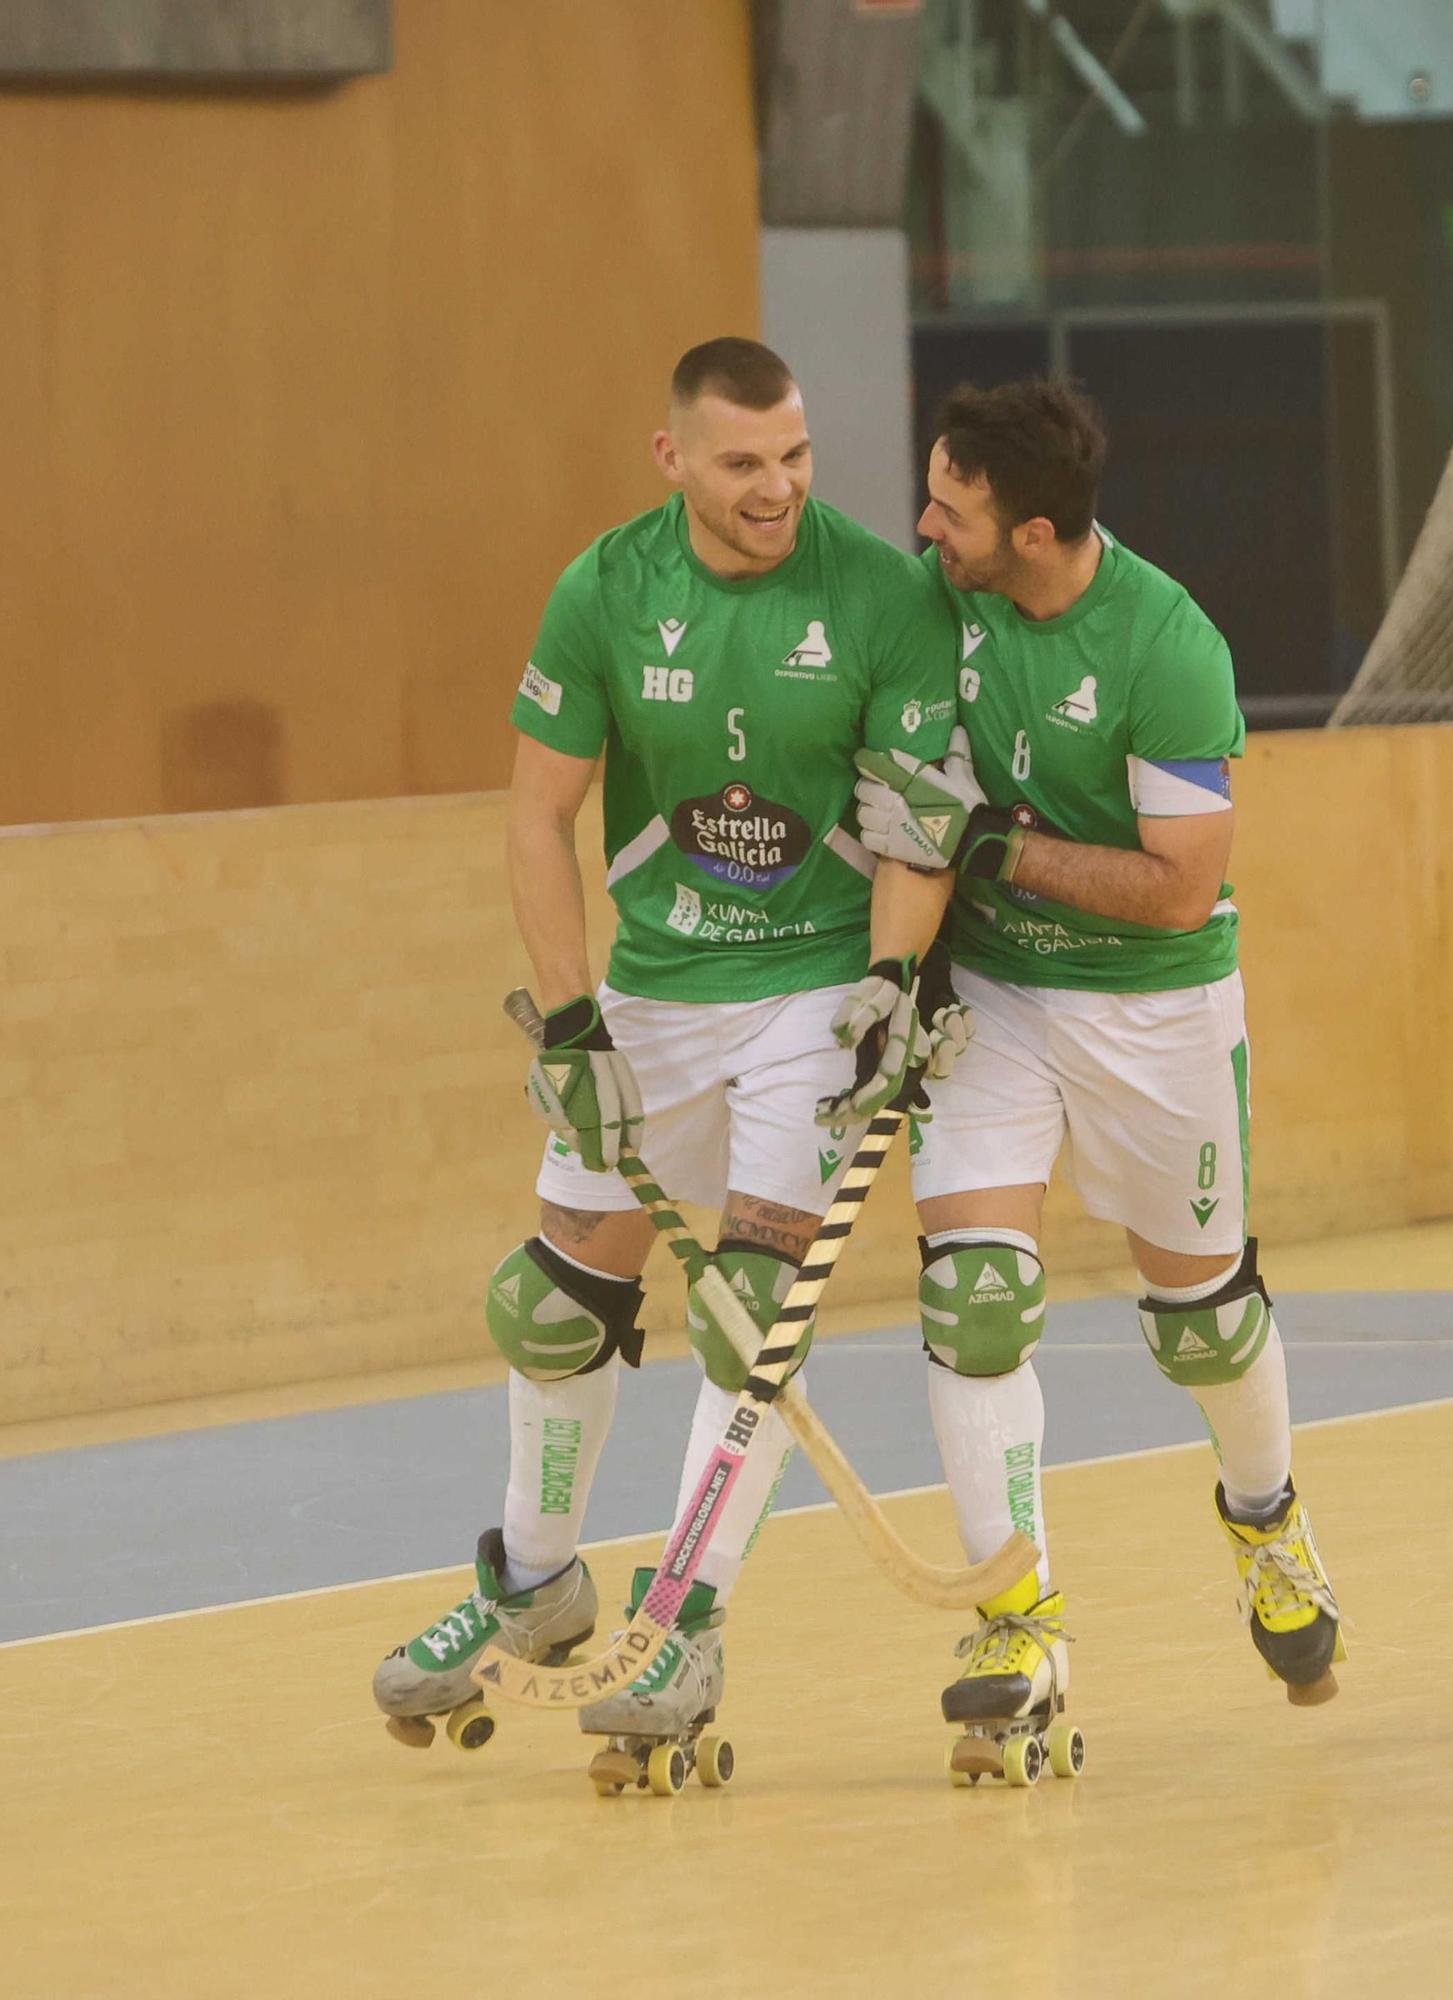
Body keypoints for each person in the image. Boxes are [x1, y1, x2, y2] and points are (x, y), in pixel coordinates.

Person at [373, 337, 957, 1759]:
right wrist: (573, 1019)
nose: (779, 488)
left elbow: (918, 827)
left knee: (746, 1319)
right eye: (745, 462)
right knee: (549, 1308)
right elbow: (534, 817)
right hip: (650, 990)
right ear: (675, 458)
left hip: (814, 997)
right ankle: (532, 1581)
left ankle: (683, 1618)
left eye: (797, 457)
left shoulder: (884, 593)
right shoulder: (606, 590)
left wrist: (889, 985)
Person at [852, 378, 1344, 1768]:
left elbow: (1180, 890)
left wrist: (991, 844)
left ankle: (1262, 1518)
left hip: (1149, 1008)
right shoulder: (933, 600)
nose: (925, 527)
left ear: (1038, 531)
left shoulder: (1166, 644)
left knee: (1200, 1320)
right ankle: (1016, 1618)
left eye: (952, 510)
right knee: (976, 1292)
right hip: (994, 998)